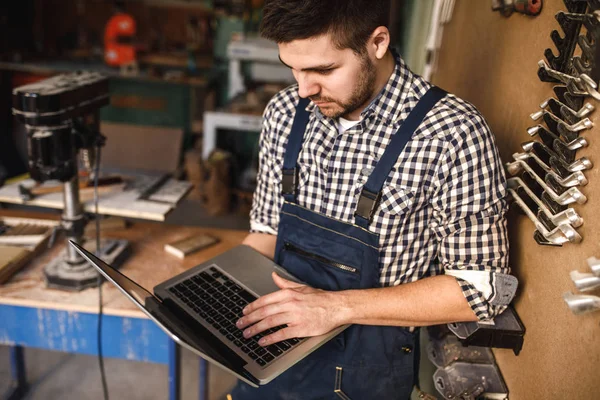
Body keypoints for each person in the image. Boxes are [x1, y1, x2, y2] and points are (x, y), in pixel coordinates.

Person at [232, 0, 517, 398]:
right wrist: (218, 288)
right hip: (274, 353)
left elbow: (479, 291)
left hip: (365, 372)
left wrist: (334, 308)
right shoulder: (284, 113)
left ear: (377, 43)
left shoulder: (452, 134)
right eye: (293, 69)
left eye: (324, 70)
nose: (303, 89)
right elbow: (266, 231)